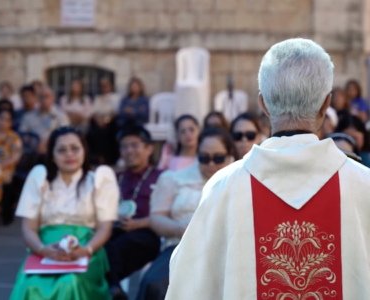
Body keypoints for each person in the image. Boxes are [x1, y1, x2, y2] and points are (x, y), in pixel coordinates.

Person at [166, 38, 370, 299]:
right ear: (325, 105)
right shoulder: (364, 185)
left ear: (263, 105)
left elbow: (187, 283)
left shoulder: (224, 186)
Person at [10, 126, 119, 300]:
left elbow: (105, 228)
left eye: (75, 148)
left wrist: (86, 250)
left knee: (69, 283)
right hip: (43, 252)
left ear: (84, 151)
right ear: (52, 156)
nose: (69, 154)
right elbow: (28, 228)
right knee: (32, 286)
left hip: (87, 251)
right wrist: (43, 250)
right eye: (61, 150)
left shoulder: (99, 180)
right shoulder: (39, 178)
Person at [136, 127, 235, 300]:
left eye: (218, 158)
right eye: (204, 158)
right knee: (155, 285)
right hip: (179, 246)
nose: (211, 164)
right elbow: (157, 217)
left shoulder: (239, 180)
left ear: (229, 155)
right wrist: (178, 228)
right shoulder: (174, 179)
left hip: (226, 250)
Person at [105, 126, 162, 299]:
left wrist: (138, 223)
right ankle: (114, 288)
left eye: (134, 145)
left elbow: (167, 212)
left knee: (119, 247)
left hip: (147, 231)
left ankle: (112, 287)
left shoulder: (162, 177)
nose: (129, 151)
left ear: (149, 148)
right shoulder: (115, 178)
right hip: (115, 228)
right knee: (100, 246)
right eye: (124, 146)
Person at [19, 87, 69, 155]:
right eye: (41, 97)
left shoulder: (61, 116)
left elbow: (65, 136)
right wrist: (35, 143)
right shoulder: (28, 117)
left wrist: (46, 143)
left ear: (53, 98)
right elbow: (22, 135)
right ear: (37, 99)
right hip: (33, 152)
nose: (44, 99)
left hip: (55, 151)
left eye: (47, 96)